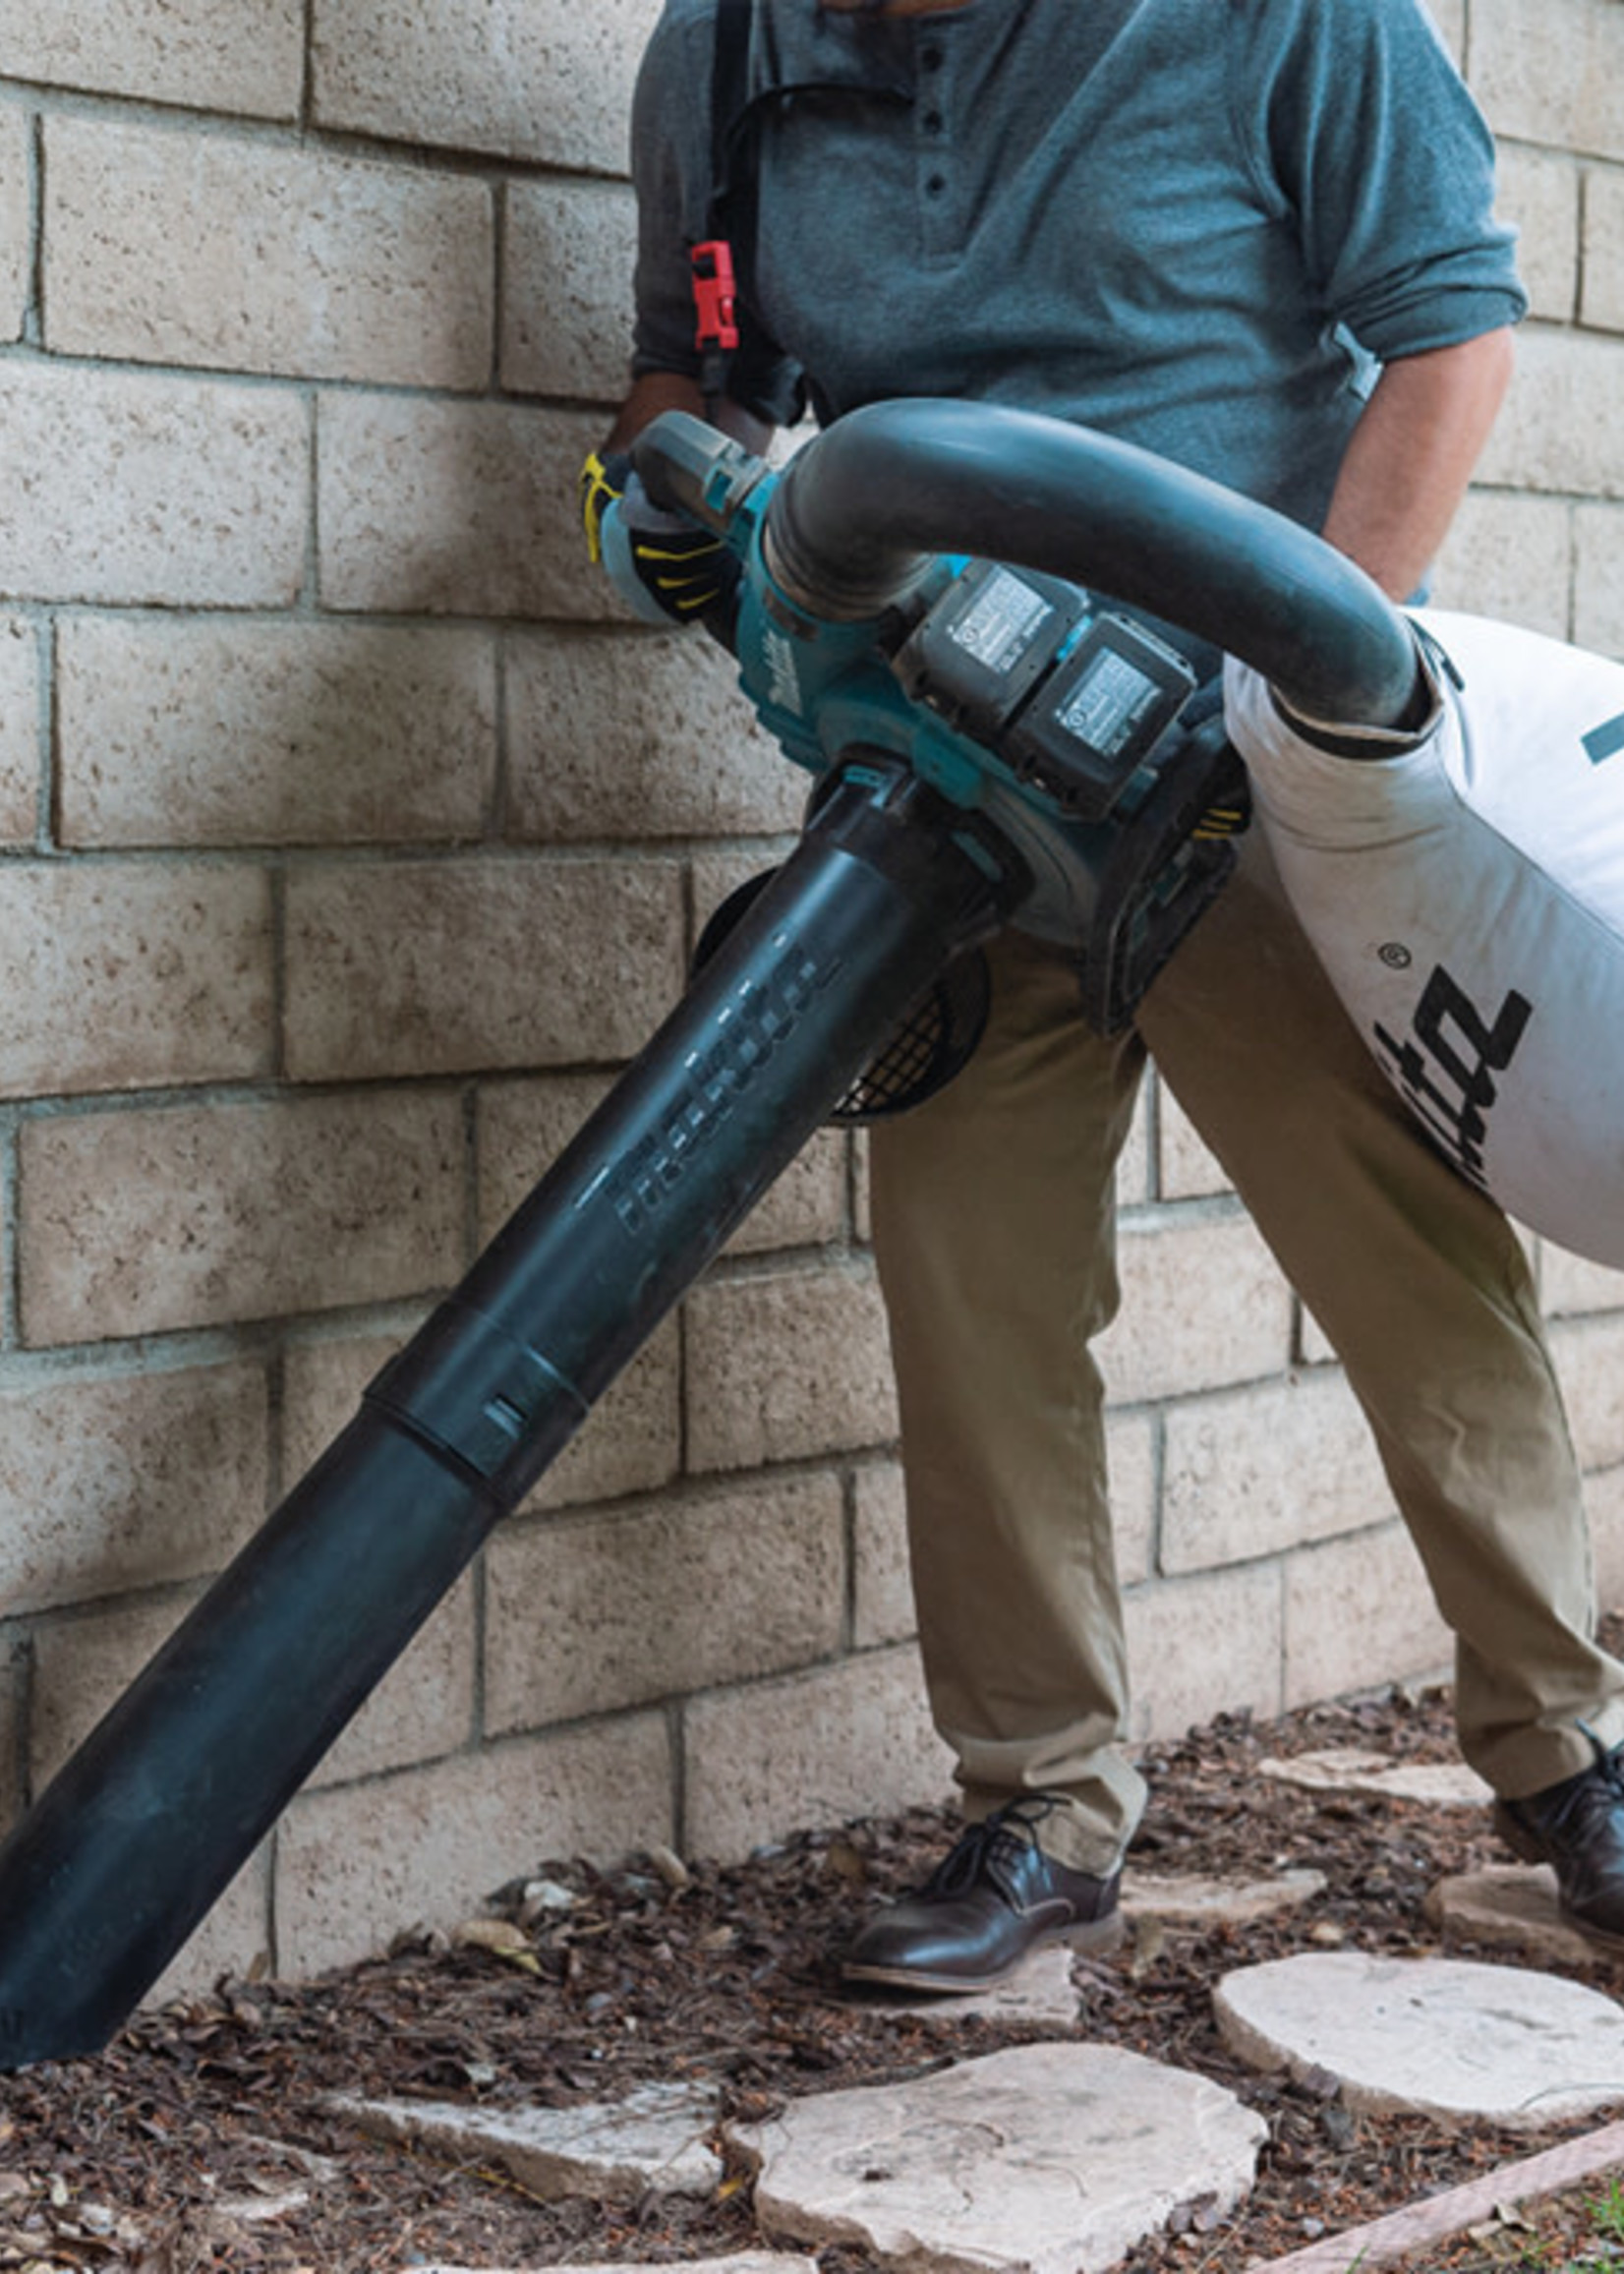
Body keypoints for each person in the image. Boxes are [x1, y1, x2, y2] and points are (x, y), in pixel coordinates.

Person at [583, 0, 1624, 1988]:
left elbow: (1446, 338)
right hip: (940, 778)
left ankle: (1571, 1753)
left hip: (1242, 775)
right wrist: (681, 478)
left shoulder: (1281, 19)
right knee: (972, 1291)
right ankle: (1038, 1809)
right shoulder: (719, 51)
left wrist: (1311, 698)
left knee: (1409, 1265)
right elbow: (686, 376)